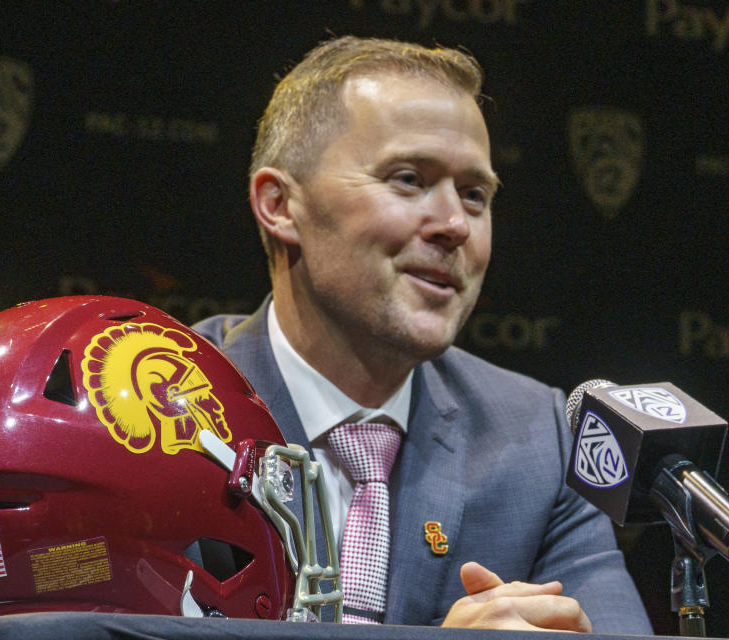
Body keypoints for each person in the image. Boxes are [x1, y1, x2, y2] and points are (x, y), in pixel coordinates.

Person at [194, 35, 652, 633]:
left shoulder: (537, 440)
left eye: (475, 195)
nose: (455, 225)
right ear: (281, 205)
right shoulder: (156, 412)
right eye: (409, 179)